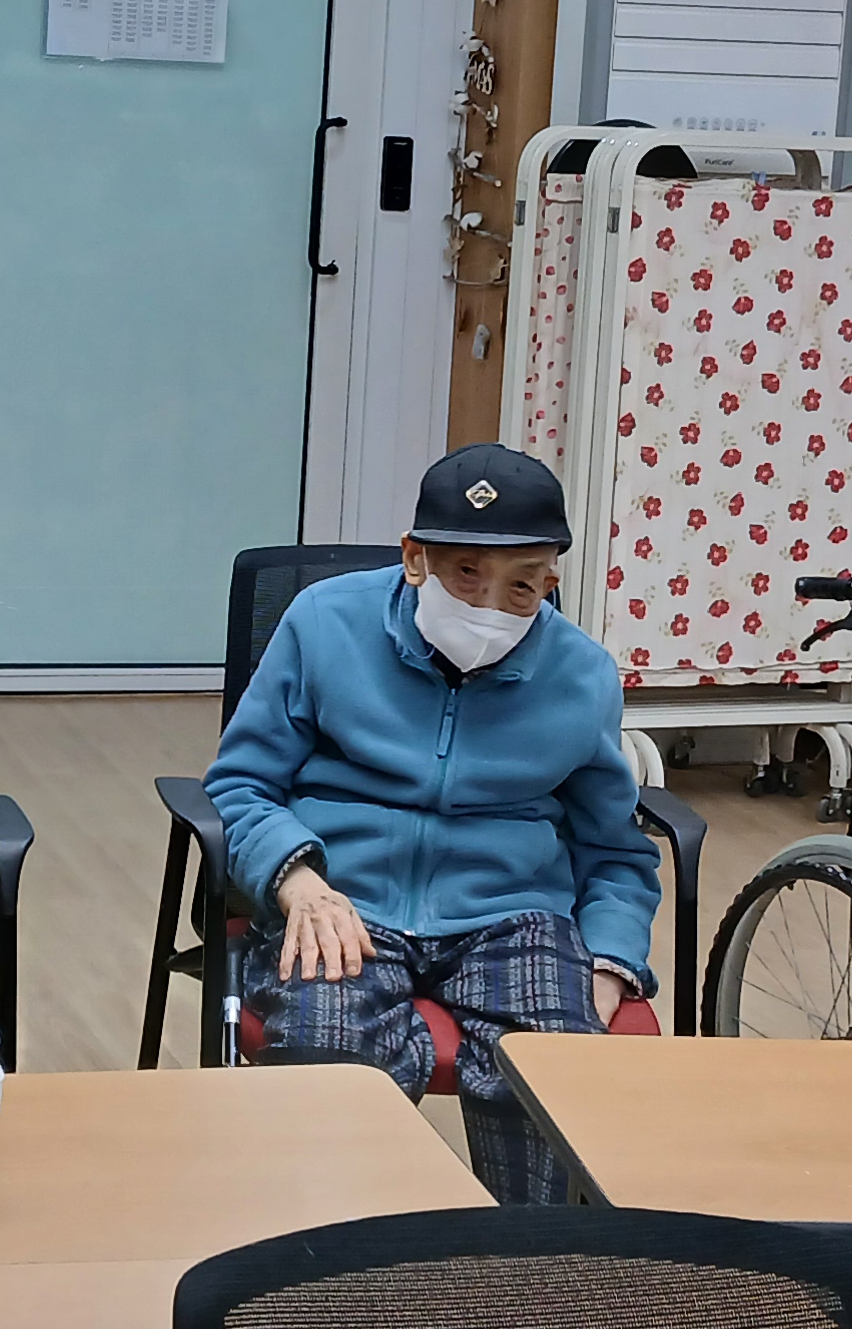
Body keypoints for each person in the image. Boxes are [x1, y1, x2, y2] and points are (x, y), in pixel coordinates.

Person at [204, 443, 659, 1204]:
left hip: (512, 912)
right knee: (327, 1055)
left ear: (552, 579)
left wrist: (612, 961)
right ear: (415, 558)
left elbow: (615, 849)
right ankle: (340, 1259)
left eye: (522, 585)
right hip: (344, 895)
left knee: (555, 1078)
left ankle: (536, 1266)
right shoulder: (324, 622)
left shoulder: (582, 675)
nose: (489, 606)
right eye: (465, 574)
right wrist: (297, 880)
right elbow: (240, 785)